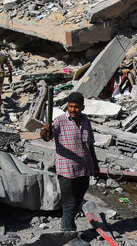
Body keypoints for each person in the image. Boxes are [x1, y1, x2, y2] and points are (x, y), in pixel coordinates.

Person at [40, 92, 99, 232]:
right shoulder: (60, 121)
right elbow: (46, 137)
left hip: (84, 167)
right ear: (67, 106)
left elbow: (90, 145)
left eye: (76, 107)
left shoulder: (85, 122)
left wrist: (95, 165)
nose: (73, 109)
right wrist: (45, 130)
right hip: (66, 168)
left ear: (82, 108)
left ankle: (67, 223)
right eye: (71, 106)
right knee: (69, 201)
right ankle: (68, 229)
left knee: (78, 199)